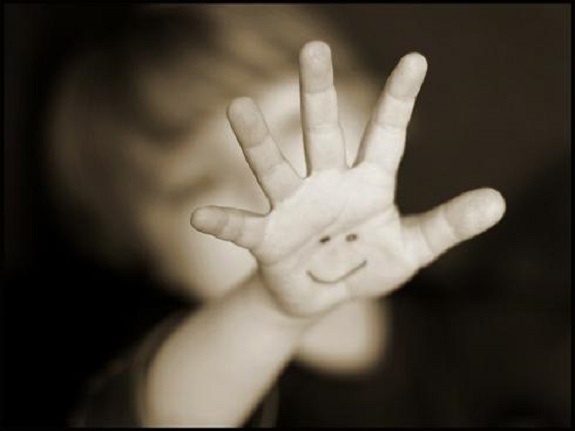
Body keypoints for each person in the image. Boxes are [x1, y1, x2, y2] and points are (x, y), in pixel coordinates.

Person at [3, 4, 568, 428]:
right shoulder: (196, 379)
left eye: (292, 124)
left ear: (370, 105)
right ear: (145, 254)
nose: (262, 186)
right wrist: (270, 308)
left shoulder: (480, 332)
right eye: (197, 181)